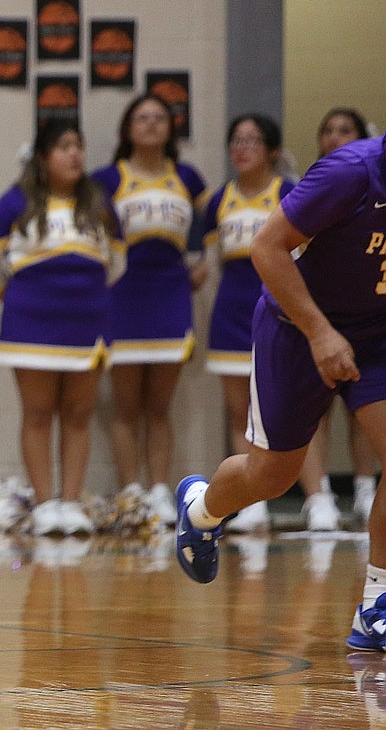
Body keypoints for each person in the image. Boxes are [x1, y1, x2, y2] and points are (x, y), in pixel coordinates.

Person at [173, 130, 386, 655]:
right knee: (271, 475)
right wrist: (319, 332)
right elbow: (267, 247)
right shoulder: (350, 172)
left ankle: (377, 604)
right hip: (297, 325)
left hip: (378, 332)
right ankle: (202, 510)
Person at [0, 120, 124, 536]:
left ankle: (71, 504)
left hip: (88, 322)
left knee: (78, 415)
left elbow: (117, 264)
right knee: (38, 414)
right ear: (42, 157)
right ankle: (44, 506)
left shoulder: (99, 204)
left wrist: (83, 297)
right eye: (63, 146)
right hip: (30, 324)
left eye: (78, 145)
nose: (74, 154)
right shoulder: (14, 203)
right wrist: (19, 301)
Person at [91, 94, 210, 526]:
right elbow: (87, 228)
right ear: (127, 129)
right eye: (142, 117)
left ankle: (161, 489)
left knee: (159, 407)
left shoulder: (188, 177)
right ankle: (131, 490)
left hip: (170, 293)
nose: (151, 124)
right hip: (123, 294)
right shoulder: (107, 178)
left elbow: (222, 218)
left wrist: (205, 263)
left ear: (170, 128)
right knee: (125, 406)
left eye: (160, 117)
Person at [201, 114, 302, 532]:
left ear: (273, 150)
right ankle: (249, 500)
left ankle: (318, 498)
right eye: (236, 140)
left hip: (279, 306)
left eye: (253, 140)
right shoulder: (217, 200)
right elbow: (209, 259)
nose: (242, 148)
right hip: (230, 308)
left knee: (286, 407)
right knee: (237, 409)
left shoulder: (290, 193)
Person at [301, 107, 379, 525]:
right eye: (326, 130)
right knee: (313, 412)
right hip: (317, 316)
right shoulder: (313, 187)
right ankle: (319, 498)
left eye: (344, 129)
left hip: (370, 317)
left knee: (367, 409)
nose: (334, 137)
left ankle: (366, 489)